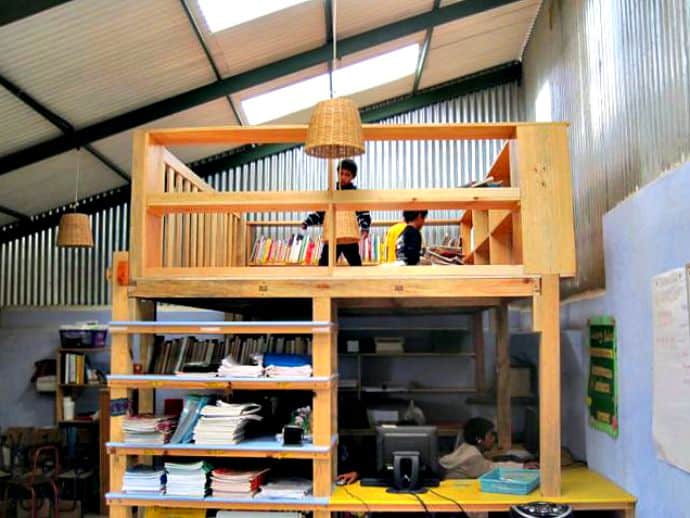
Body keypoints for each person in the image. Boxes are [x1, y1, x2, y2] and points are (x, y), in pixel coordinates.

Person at [301, 159, 371, 266]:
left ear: (353, 177)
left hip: (349, 237)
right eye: (341, 173)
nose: (343, 177)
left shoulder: (355, 193)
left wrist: (365, 227)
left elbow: (363, 212)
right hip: (332, 236)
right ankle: (322, 283)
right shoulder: (331, 192)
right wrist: (308, 221)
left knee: (356, 265)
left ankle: (358, 282)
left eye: (347, 175)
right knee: (324, 265)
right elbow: (321, 212)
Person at [439, 417, 539, 479]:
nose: (493, 438)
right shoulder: (473, 456)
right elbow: (493, 469)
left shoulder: (468, 447)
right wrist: (522, 467)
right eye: (490, 435)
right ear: (479, 439)